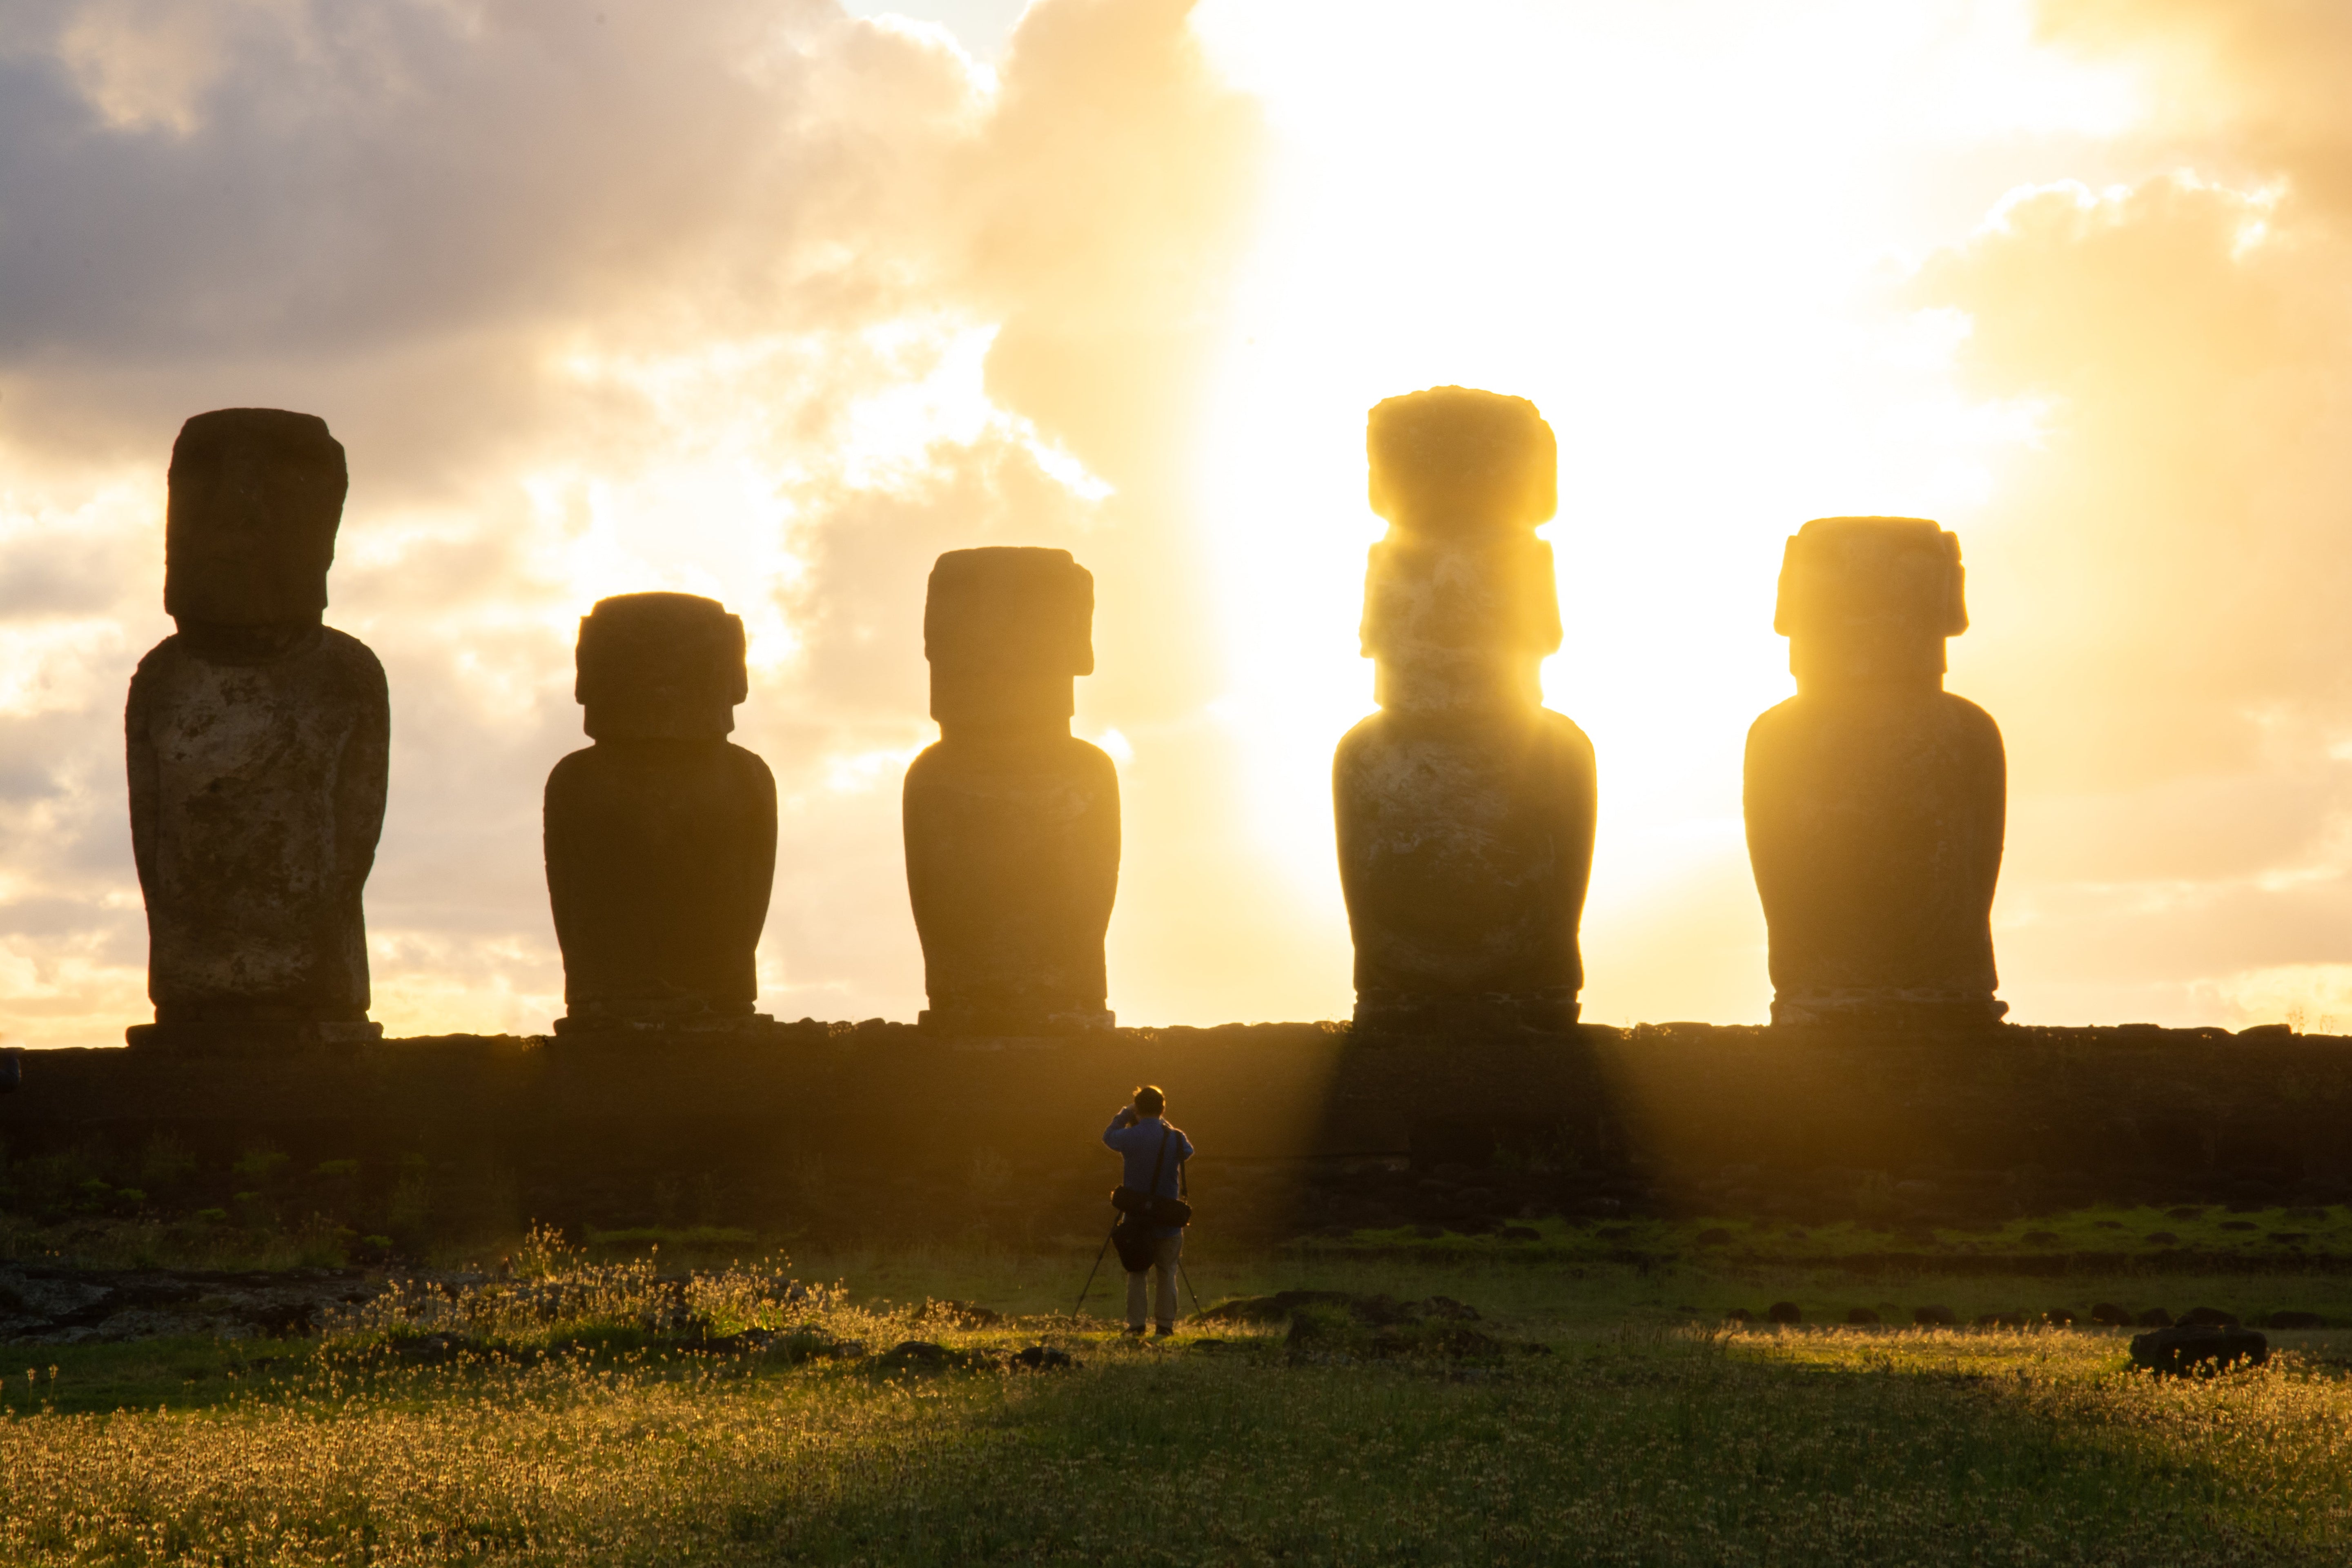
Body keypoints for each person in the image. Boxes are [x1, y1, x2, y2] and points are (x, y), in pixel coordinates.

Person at [1103, 1084, 1192, 1337]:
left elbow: (1108, 1136)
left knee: (1137, 1272)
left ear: (1138, 1109)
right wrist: (1162, 1124)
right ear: (1163, 1109)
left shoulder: (1129, 1137)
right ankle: (1165, 1326)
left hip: (1136, 1218)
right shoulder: (1175, 1137)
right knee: (1167, 1272)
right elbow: (1188, 1152)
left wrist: (1125, 1114)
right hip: (1168, 1217)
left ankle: (1136, 1326)